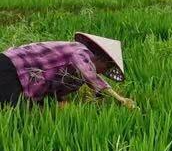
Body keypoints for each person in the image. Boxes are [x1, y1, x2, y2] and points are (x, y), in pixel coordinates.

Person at [0, 32, 136, 108]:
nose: (101, 73)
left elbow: (55, 94)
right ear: (102, 59)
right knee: (13, 110)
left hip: (22, 79)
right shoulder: (80, 51)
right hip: (11, 66)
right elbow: (89, 74)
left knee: (25, 111)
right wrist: (121, 99)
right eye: (105, 69)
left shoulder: (77, 79)